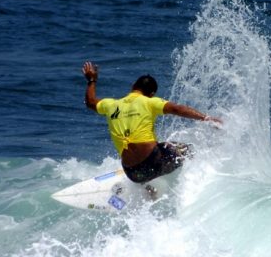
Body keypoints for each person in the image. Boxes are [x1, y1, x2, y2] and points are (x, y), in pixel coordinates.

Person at [82, 61, 222, 184]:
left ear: (133, 86)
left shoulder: (110, 105)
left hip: (132, 173)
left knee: (157, 150)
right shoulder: (150, 102)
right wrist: (206, 118)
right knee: (186, 150)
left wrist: (92, 80)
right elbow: (177, 109)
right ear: (152, 94)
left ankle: (148, 187)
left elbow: (90, 102)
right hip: (153, 163)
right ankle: (202, 179)